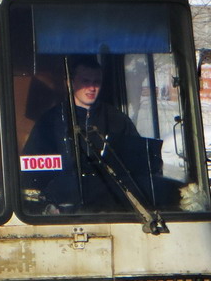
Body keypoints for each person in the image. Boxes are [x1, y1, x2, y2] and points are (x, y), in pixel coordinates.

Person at [21, 56, 155, 211]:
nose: (92, 88)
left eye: (96, 82)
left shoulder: (117, 120)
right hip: (63, 208)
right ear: (70, 83)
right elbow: (32, 169)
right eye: (86, 81)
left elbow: (138, 164)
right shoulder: (50, 122)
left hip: (110, 208)